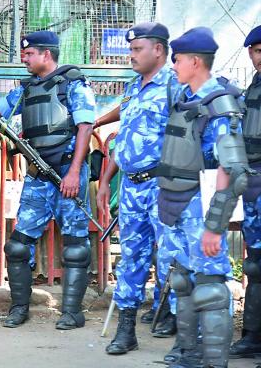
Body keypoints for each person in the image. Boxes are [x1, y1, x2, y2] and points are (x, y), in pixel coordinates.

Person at [0, 30, 95, 330]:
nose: (24, 58)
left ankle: (72, 312)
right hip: (37, 177)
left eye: (29, 53)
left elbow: (86, 127)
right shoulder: (25, 89)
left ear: (47, 54)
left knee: (75, 247)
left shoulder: (72, 83)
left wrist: (74, 172)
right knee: (18, 246)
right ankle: (19, 308)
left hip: (68, 172)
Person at [158, 27, 249, 368]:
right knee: (183, 282)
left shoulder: (219, 105)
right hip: (178, 205)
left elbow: (232, 169)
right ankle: (189, 354)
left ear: (195, 62)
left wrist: (214, 226)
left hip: (202, 208)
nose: (173, 65)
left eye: (177, 59)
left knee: (210, 289)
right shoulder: (185, 98)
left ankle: (214, 363)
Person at [95, 22, 178, 356]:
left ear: (158, 49)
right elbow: (124, 140)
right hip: (131, 187)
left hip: (164, 185)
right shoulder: (132, 88)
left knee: (173, 258)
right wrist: (105, 181)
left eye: (136, 49)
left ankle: (183, 335)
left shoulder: (176, 86)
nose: (130, 55)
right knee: (131, 258)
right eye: (130, 49)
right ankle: (126, 330)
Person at [229, 24, 261, 360]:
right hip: (253, 185)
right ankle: (252, 336)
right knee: (255, 266)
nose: (259, 57)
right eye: (255, 51)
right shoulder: (253, 88)